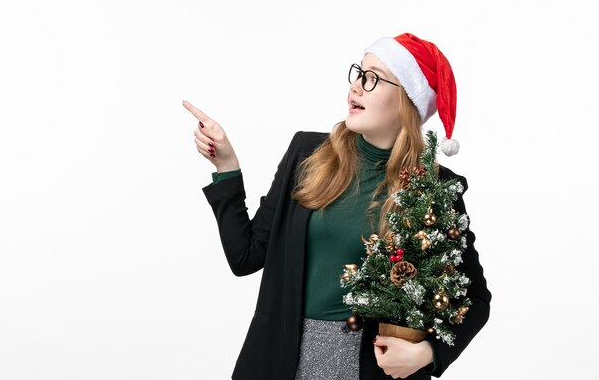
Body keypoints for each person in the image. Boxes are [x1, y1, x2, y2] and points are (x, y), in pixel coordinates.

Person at [183, 33, 491, 380]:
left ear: (407, 101)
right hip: (279, 361)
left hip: (368, 370)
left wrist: (426, 353)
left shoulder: (432, 189)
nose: (356, 86)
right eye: (359, 72)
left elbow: (475, 301)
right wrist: (227, 166)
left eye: (373, 78)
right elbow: (245, 256)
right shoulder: (307, 154)